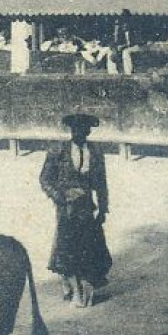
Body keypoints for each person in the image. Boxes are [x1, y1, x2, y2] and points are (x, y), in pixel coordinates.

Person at [39, 113, 112, 308]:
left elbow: (101, 182)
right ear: (71, 131)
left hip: (87, 208)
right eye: (76, 130)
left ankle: (83, 290)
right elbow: (45, 180)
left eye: (83, 130)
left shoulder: (95, 151)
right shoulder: (58, 150)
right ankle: (71, 287)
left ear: (88, 131)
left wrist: (103, 208)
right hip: (67, 209)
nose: (79, 133)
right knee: (67, 248)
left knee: (88, 247)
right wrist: (61, 196)